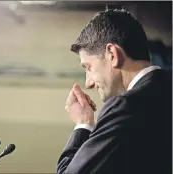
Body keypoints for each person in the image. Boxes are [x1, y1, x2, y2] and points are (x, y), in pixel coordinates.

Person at [56, 9, 172, 174]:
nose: (88, 83)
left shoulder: (126, 106)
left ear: (112, 54)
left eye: (88, 67)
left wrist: (83, 123)